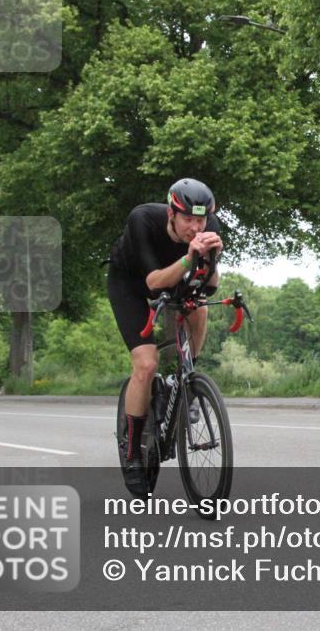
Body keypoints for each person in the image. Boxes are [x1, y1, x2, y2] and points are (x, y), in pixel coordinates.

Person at [107, 178, 224, 493]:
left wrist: (212, 258)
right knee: (146, 364)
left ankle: (184, 378)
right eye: (188, 219)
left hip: (173, 274)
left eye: (200, 219)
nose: (195, 227)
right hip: (132, 282)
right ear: (171, 213)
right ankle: (132, 452)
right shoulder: (142, 219)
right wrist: (190, 257)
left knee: (200, 308)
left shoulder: (208, 225)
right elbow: (154, 283)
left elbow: (211, 284)